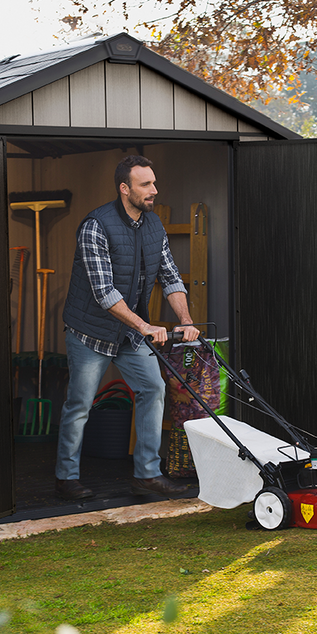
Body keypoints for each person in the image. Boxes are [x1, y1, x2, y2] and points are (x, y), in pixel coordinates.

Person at [56, 154, 200, 501]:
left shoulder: (153, 226)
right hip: (90, 331)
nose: (154, 189)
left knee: (153, 388)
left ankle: (147, 474)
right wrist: (146, 325)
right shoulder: (96, 226)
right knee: (80, 404)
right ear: (125, 189)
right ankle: (66, 477)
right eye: (145, 184)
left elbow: (170, 276)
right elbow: (104, 292)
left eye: (153, 182)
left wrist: (186, 321)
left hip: (130, 331)